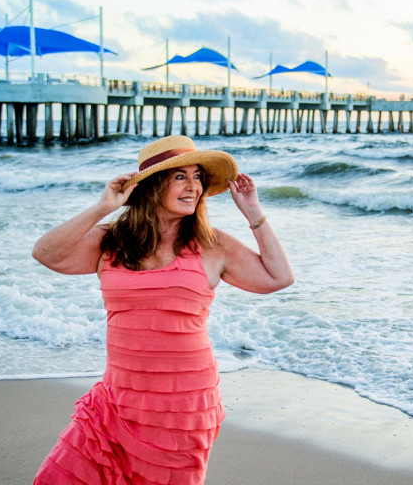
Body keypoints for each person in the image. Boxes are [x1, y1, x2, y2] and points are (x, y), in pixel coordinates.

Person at [31, 135, 294, 485]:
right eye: (180, 177)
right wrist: (101, 208)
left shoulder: (212, 245)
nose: (193, 187)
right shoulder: (111, 240)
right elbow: (46, 254)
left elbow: (278, 277)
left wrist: (254, 213)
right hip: (116, 403)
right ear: (153, 186)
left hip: (183, 408)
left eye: (197, 176)